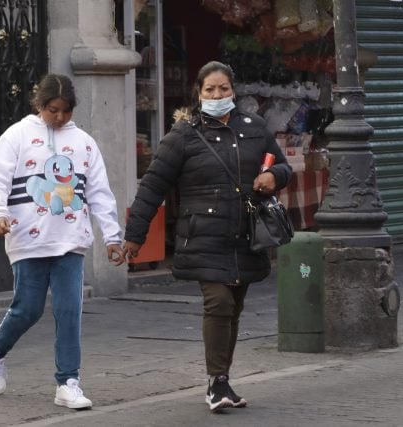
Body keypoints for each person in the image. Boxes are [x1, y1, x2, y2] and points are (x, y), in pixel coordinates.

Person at [124, 61, 292, 412]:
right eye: (210, 90)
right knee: (219, 302)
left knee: (234, 308)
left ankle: (222, 379)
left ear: (234, 91)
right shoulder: (184, 135)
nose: (218, 95)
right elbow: (153, 186)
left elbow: (282, 165)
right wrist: (134, 237)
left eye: (224, 89)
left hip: (245, 235)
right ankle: (217, 383)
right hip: (203, 235)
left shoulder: (254, 127)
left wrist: (274, 175)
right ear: (198, 94)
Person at [0, 74, 126, 409]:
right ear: (39, 105)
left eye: (65, 111)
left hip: (71, 240)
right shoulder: (16, 136)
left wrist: (112, 236)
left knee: (69, 311)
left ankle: (68, 382)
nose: (59, 117)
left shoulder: (85, 143)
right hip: (28, 238)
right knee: (27, 309)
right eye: (52, 110)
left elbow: (99, 192)